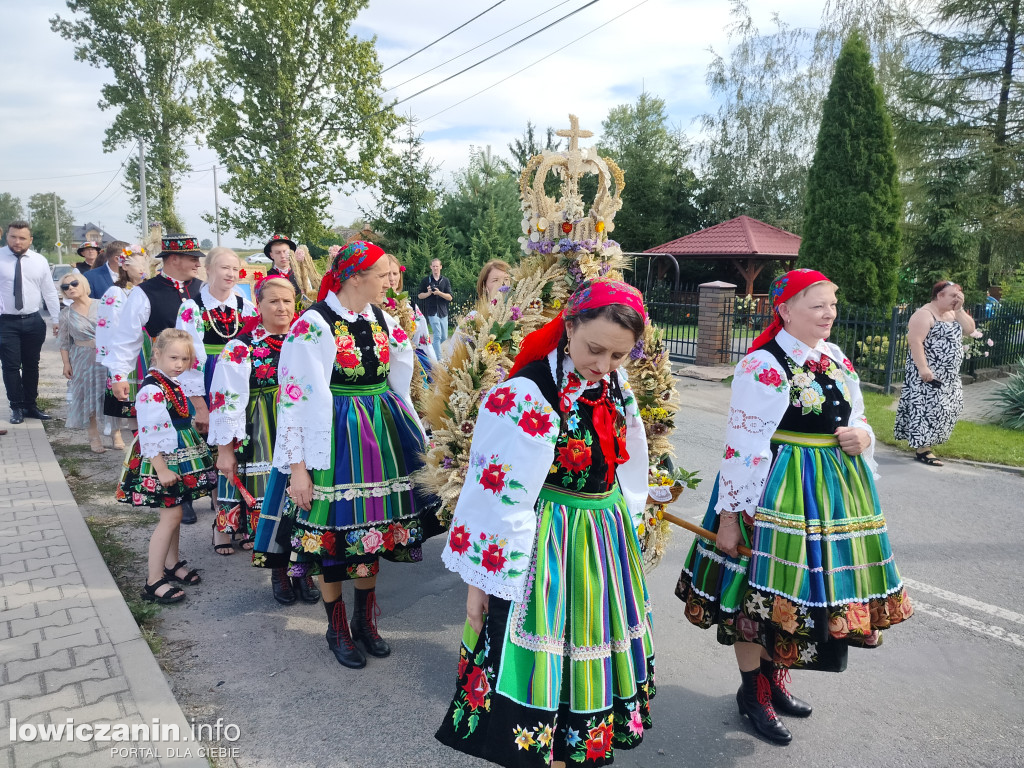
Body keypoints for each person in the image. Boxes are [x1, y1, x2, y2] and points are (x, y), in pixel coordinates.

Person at [674, 269, 913, 746]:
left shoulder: (836, 358)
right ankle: (752, 694)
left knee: (800, 596)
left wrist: (862, 436)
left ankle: (776, 681)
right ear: (784, 310)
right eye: (818, 305)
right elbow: (742, 445)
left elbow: (859, 414)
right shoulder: (764, 364)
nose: (829, 314)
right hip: (775, 490)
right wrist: (729, 518)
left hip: (829, 493)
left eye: (832, 305)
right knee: (754, 595)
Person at [435, 278, 655, 768]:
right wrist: (481, 584)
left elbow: (628, 460)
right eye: (594, 350)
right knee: (546, 665)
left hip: (600, 543)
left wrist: (628, 521)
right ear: (569, 325)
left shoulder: (612, 384)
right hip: (545, 547)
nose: (604, 366)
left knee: (585, 659)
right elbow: (496, 496)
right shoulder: (528, 394)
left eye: (619, 356)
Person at [251, 241, 440, 669]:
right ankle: (336, 625)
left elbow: (402, 379)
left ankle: (365, 620)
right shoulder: (312, 325)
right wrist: (298, 468)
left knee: (374, 528)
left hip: (381, 435)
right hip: (333, 438)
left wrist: (416, 434)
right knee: (332, 535)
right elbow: (295, 400)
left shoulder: (385, 319)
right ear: (355, 276)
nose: (388, 281)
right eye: (381, 274)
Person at [208, 275, 320, 605]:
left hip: (303, 428)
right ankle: (278, 570)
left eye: (287, 300)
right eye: (274, 301)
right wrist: (225, 451)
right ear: (258, 305)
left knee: (304, 502)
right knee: (273, 504)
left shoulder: (307, 339)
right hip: (263, 434)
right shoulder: (241, 346)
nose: (282, 307)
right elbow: (225, 401)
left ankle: (304, 570)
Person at [106, 235, 206, 523]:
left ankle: (209, 489)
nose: (197, 263)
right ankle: (180, 494)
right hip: (168, 377)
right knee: (174, 433)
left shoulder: (202, 289)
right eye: (192, 258)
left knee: (204, 432)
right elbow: (126, 339)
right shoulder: (145, 292)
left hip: (202, 374)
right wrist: (118, 375)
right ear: (173, 259)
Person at [115, 329, 218, 604]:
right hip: (162, 460)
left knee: (175, 511)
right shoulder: (152, 389)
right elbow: (149, 433)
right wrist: (161, 469)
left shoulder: (170, 382)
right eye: (173, 357)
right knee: (170, 516)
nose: (179, 364)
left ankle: (171, 565)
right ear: (157, 354)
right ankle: (153, 579)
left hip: (177, 457)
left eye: (185, 359)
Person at [894, 280, 975, 466]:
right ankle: (923, 449)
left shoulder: (953, 313)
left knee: (950, 408)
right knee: (927, 409)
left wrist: (960, 309)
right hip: (930, 374)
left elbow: (970, 330)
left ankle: (928, 444)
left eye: (959, 295)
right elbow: (915, 342)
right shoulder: (924, 314)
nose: (957, 299)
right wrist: (923, 368)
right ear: (939, 295)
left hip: (950, 376)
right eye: (953, 295)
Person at [0, 221, 61, 424]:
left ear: (30, 240)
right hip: (6, 322)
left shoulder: (39, 261)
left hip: (33, 321)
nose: (17, 242)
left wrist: (56, 319)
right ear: (7, 236)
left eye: (22, 238)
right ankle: (16, 407)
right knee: (10, 366)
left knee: (31, 365)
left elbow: (49, 292)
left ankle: (30, 405)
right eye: (13, 237)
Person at [95, 244, 152, 449]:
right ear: (124, 267)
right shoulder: (117, 292)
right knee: (132, 399)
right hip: (131, 348)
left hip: (150, 347)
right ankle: (133, 440)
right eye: (136, 264)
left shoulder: (150, 289)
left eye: (144, 263)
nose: (142, 268)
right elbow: (109, 326)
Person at [57, 273, 110, 452]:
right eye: (65, 287)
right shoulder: (66, 314)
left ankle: (116, 432)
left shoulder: (102, 305)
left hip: (107, 356)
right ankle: (93, 436)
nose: (70, 288)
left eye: (73, 283)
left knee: (110, 394)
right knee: (89, 397)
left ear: (83, 284)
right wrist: (66, 364)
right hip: (82, 357)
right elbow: (64, 342)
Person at [441, 259, 512, 361]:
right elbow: (452, 357)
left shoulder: (517, 317)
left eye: (506, 279)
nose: (502, 284)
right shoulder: (473, 319)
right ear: (484, 287)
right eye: (495, 280)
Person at [417, 257, 452, 360]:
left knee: (444, 336)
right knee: (437, 335)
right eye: (434, 266)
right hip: (432, 311)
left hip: (443, 311)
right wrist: (428, 293)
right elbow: (419, 296)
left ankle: (429, 350)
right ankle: (438, 360)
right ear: (431, 267)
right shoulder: (426, 280)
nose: (435, 268)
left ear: (440, 267)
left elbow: (450, 297)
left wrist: (439, 293)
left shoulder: (445, 281)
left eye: (437, 266)